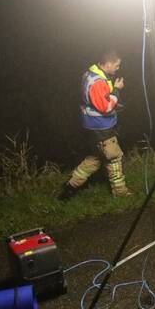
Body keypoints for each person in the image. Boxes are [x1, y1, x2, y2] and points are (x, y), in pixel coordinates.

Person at [59, 50, 134, 199]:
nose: (118, 68)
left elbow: (99, 99)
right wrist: (117, 90)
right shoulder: (98, 81)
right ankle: (120, 192)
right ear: (107, 64)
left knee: (95, 158)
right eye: (117, 65)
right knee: (114, 157)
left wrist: (113, 97)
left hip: (92, 126)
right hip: (101, 127)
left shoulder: (91, 73)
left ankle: (71, 185)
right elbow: (105, 107)